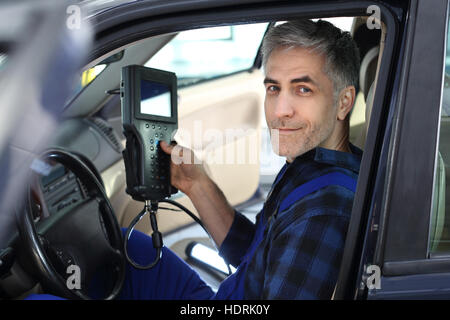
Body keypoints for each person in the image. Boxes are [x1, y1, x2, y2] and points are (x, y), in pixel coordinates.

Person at [27, 18, 362, 300]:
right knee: (127, 249)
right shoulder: (314, 164)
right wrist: (196, 184)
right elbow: (255, 255)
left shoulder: (324, 210)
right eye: (274, 88)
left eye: (303, 89)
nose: (279, 111)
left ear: (344, 102)